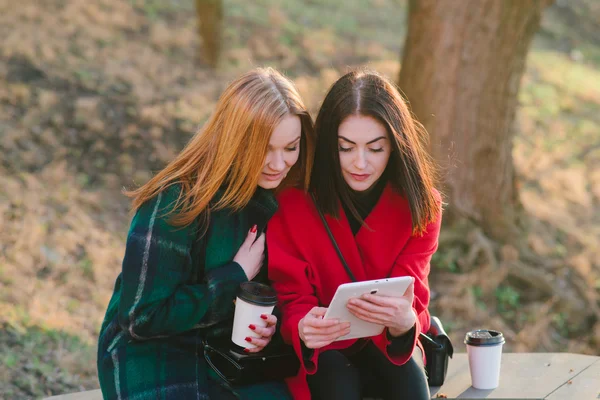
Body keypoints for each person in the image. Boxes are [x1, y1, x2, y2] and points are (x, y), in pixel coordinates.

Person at [97, 67, 315, 400]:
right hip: (152, 352)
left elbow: (284, 289)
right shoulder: (176, 201)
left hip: (228, 352)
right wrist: (233, 277)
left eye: (291, 147)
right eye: (264, 149)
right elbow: (141, 318)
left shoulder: (282, 200)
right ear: (234, 140)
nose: (278, 163)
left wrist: (269, 325)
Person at [267, 70, 442, 400]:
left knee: (410, 388)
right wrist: (303, 325)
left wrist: (405, 321)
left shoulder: (421, 204)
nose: (360, 164)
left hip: (387, 343)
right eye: (345, 148)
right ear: (326, 144)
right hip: (324, 348)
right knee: (336, 386)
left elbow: (414, 295)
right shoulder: (293, 199)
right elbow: (290, 293)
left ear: (395, 145)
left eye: (375, 149)